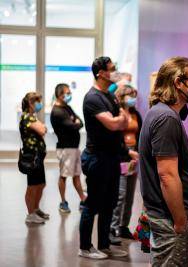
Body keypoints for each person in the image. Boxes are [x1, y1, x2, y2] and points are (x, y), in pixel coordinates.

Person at [139, 56, 188, 266]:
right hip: (171, 216)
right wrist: (180, 221)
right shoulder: (166, 118)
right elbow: (167, 176)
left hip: (172, 213)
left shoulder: (162, 113)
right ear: (178, 82)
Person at [78, 56, 132, 260]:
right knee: (93, 204)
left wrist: (119, 120)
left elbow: (123, 122)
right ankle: (84, 247)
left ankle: (104, 244)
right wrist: (119, 120)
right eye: (112, 69)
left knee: (109, 203)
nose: (115, 72)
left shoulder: (110, 97)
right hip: (96, 158)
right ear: (101, 73)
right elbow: (113, 124)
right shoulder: (92, 98)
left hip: (111, 158)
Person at [110, 84, 142, 241]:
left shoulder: (136, 114)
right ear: (121, 97)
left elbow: (141, 134)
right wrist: (127, 151)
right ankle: (113, 226)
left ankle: (123, 226)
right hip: (120, 156)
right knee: (120, 194)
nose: (133, 99)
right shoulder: (116, 114)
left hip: (134, 157)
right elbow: (114, 137)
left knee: (130, 195)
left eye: (134, 95)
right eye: (130, 95)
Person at [50, 83, 86, 213]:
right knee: (64, 175)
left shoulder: (67, 108)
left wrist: (76, 122)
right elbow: (73, 126)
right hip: (65, 149)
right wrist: (75, 123)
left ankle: (83, 199)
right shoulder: (57, 112)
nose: (69, 95)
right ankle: (63, 202)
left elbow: (80, 122)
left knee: (76, 175)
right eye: (67, 93)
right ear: (59, 95)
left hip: (74, 147)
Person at [19, 92, 49, 224]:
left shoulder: (32, 117)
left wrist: (41, 126)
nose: (39, 104)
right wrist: (41, 126)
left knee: (41, 184)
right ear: (31, 103)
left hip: (38, 157)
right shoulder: (26, 118)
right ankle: (30, 214)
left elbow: (43, 129)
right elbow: (43, 130)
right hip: (31, 157)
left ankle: (36, 209)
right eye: (37, 101)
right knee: (32, 186)